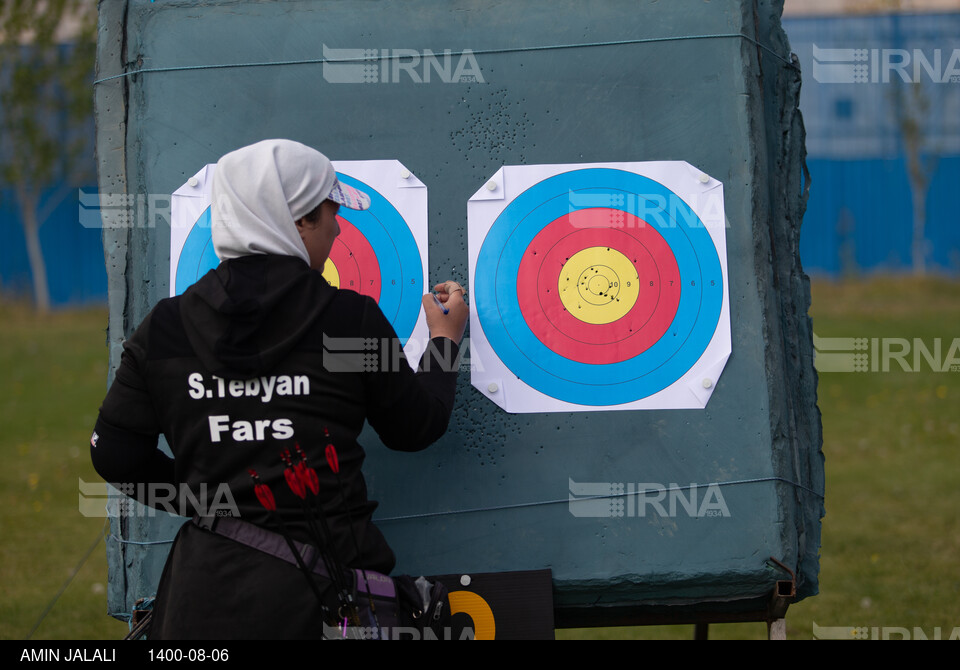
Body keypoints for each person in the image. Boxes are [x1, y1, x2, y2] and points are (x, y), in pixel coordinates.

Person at [90, 139, 468, 639]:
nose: (337, 228)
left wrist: (217, 503)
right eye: (331, 212)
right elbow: (414, 427)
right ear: (299, 221)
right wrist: (443, 343)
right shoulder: (347, 324)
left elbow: (114, 454)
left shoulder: (165, 329)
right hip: (323, 600)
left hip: (202, 597)